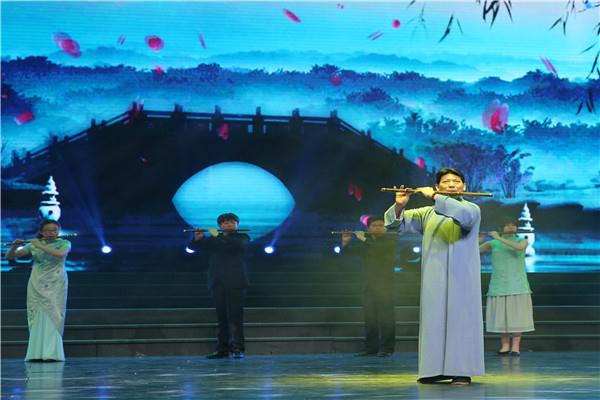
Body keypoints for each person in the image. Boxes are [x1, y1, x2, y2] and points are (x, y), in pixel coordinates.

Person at [383, 168, 484, 385]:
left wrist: (435, 197)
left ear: (464, 186)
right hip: (434, 276)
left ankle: (461, 370)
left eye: (456, 181)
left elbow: (463, 217)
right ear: (437, 186)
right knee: (434, 320)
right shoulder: (427, 213)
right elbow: (394, 224)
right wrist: (400, 205)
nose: (451, 184)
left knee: (460, 320)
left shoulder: (472, 209)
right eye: (445, 182)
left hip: (462, 276)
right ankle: (434, 370)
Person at [5, 219, 71, 362]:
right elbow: (9, 256)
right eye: (48, 230)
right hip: (36, 281)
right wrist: (14, 247)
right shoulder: (33, 244)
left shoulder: (64, 243)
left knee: (54, 313)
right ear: (41, 232)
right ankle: (36, 353)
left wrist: (39, 245)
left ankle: (52, 353)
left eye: (54, 230)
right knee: (36, 313)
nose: (51, 233)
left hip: (56, 282)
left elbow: (60, 254)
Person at [188, 213, 250, 359]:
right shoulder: (214, 239)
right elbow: (193, 247)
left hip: (235, 281)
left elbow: (237, 246)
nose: (229, 224)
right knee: (221, 318)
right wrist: (198, 238)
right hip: (217, 282)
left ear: (237, 225)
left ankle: (238, 348)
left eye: (232, 222)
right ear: (220, 225)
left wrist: (216, 236)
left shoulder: (242, 237)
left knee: (235, 317)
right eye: (226, 222)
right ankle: (222, 349)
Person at [341, 216, 397, 357]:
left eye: (380, 225)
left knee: (386, 319)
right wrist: (345, 242)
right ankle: (371, 348)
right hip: (369, 286)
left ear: (385, 228)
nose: (378, 228)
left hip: (385, 286)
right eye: (374, 226)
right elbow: (348, 254)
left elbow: (379, 249)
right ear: (369, 228)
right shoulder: (366, 243)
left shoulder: (390, 241)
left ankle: (387, 348)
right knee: (370, 319)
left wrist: (364, 239)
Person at [480, 218, 534, 356]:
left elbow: (519, 248)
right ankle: (504, 346)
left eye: (513, 225)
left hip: (517, 285)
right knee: (502, 317)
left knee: (517, 317)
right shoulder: (493, 243)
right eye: (507, 225)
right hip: (499, 284)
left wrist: (499, 238)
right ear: (501, 227)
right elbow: (474, 251)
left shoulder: (522, 241)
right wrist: (478, 239)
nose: (511, 227)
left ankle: (515, 347)